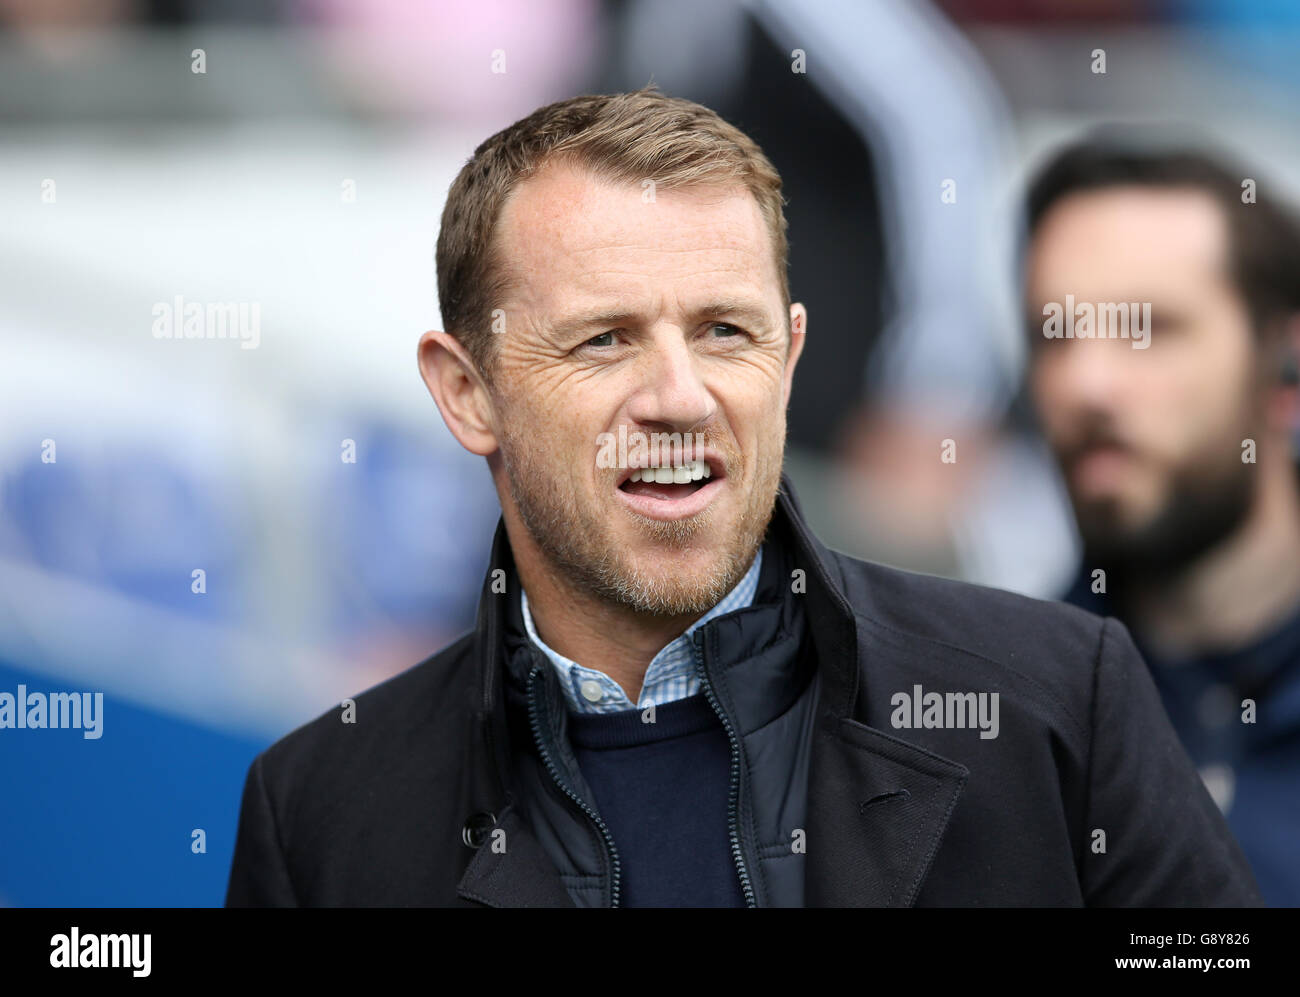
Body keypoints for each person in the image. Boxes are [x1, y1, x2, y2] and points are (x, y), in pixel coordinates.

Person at [226, 89, 1259, 907]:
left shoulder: (1053, 704)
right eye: (605, 338)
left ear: (791, 354)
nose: (681, 396)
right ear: (467, 393)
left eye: (725, 330)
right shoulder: (320, 807)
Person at [1023, 135, 1300, 906]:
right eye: (1056, 333)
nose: (1088, 382)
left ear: (1284, 366)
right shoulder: (995, 723)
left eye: (1147, 328)